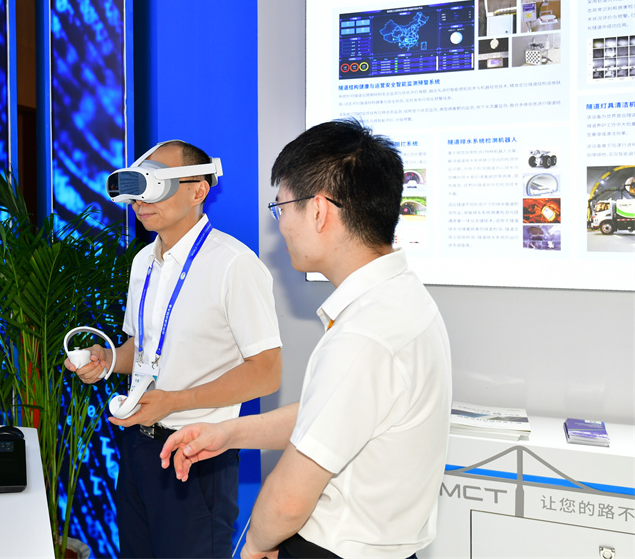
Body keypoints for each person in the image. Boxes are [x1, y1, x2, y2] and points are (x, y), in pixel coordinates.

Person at [160, 119, 452, 559]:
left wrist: (254, 545)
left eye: (281, 208)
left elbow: (288, 501)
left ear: (318, 211)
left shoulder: (364, 334)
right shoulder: (402, 300)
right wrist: (228, 433)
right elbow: (331, 413)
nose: (280, 226)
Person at [65, 140, 283, 558]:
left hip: (198, 453)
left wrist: (175, 401)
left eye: (154, 185)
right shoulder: (143, 262)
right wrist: (107, 359)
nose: (140, 201)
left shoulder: (234, 265)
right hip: (139, 447)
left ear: (198, 190)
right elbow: (140, 347)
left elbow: (266, 371)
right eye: (136, 188)